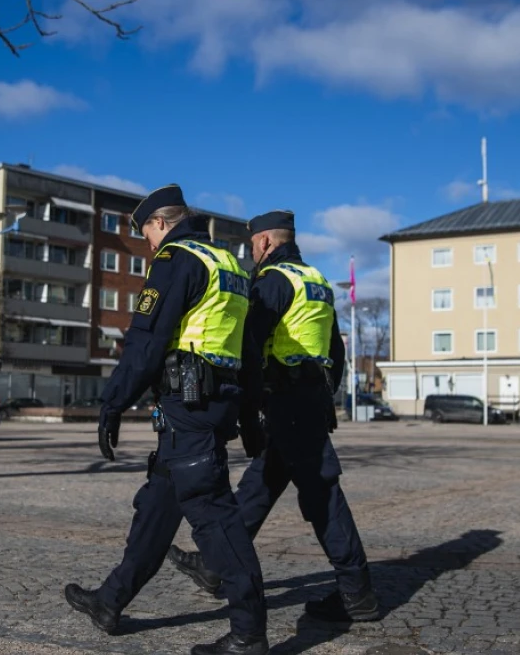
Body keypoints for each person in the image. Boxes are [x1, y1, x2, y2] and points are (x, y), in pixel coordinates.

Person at [63, 185, 270, 655]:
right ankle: (110, 601)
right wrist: (253, 418)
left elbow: (146, 341)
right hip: (212, 403)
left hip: (188, 409)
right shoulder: (229, 265)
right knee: (158, 505)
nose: (148, 246)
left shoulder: (176, 260)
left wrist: (113, 403)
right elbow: (249, 350)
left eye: (146, 235)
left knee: (214, 518)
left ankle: (248, 633)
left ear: (159, 223)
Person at [166, 209, 380, 624]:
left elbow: (250, 344)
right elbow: (335, 353)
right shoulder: (315, 280)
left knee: (324, 499)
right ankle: (214, 567)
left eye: (252, 246)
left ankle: (358, 594)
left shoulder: (274, 282)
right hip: (306, 401)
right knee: (258, 487)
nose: (252, 253)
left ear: (264, 242)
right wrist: (320, 394)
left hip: (287, 402)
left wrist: (241, 403)